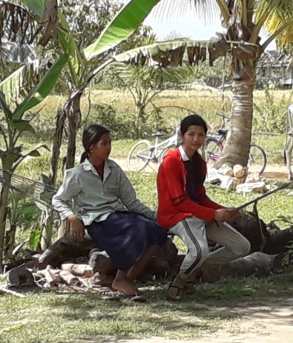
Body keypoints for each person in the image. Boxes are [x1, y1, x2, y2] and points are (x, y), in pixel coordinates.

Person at [52, 124, 167, 300]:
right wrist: (72, 218)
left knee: (154, 229)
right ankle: (121, 279)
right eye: (104, 143)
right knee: (137, 229)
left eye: (110, 143)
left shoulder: (114, 169)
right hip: (97, 220)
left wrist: (156, 216)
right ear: (91, 147)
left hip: (118, 215)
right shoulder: (77, 174)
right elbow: (58, 199)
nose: (109, 147)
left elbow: (130, 201)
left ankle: (125, 279)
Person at [156, 114, 251, 300]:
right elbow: (179, 201)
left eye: (200, 135)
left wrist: (225, 210)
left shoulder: (199, 163)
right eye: (191, 134)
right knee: (200, 250)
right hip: (177, 216)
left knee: (241, 246)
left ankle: (193, 268)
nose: (196, 139)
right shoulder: (171, 161)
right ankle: (179, 282)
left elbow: (200, 196)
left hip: (198, 214)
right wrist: (213, 214)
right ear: (182, 135)